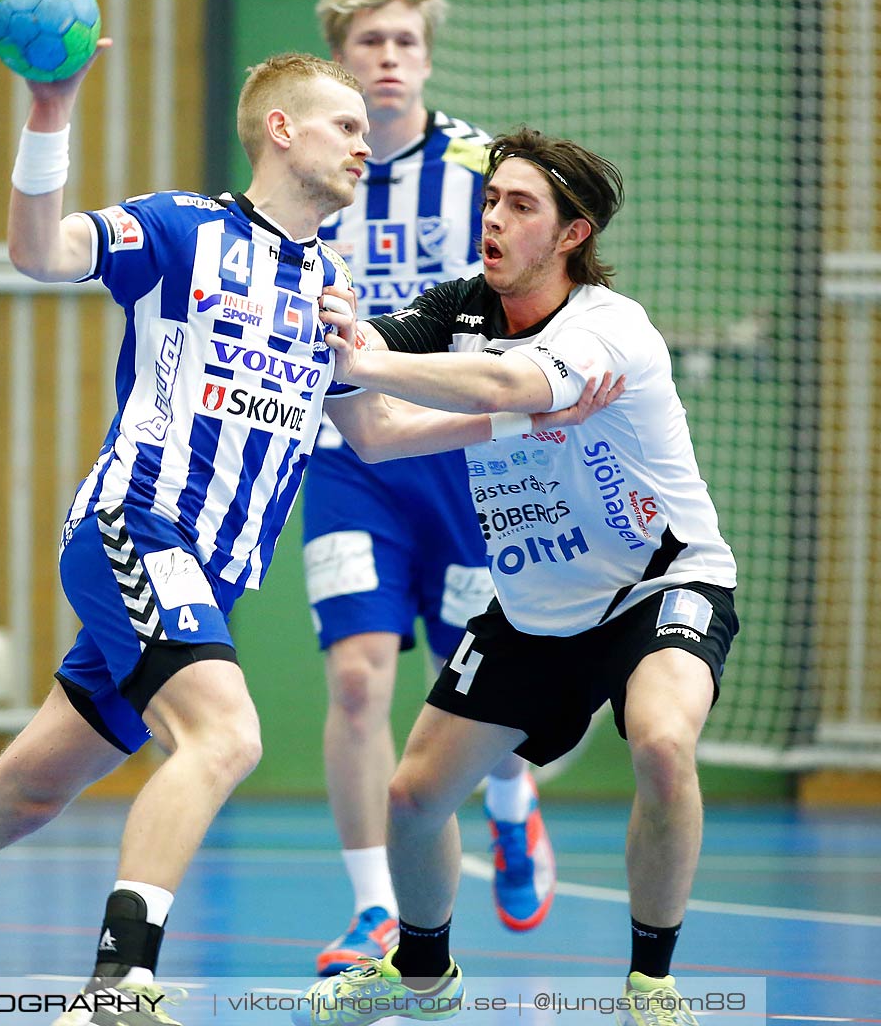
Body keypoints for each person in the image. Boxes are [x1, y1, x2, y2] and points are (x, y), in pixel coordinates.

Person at [0, 53, 618, 1026]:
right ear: (281, 130)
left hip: (212, 576)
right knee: (227, 735)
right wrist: (51, 110)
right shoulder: (180, 230)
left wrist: (519, 417)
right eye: (345, 126)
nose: (368, 142)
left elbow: (373, 434)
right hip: (136, 527)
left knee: (26, 790)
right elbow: (40, 251)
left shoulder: (333, 283)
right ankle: (118, 988)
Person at [296, 126, 739, 1026]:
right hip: (537, 606)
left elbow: (504, 391)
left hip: (658, 587)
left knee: (660, 742)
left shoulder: (610, 328)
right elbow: (375, 432)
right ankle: (422, 978)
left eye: (521, 206)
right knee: (414, 798)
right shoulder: (460, 309)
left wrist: (365, 361)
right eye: (490, 200)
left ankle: (651, 984)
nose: (493, 218)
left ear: (572, 234)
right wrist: (330, 329)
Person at [301, 0, 556, 979]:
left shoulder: (482, 167)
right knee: (360, 681)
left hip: (461, 459)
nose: (390, 58)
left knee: (479, 681)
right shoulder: (314, 170)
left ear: (428, 54)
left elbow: (542, 281)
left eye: (406, 41)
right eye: (371, 42)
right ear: (340, 58)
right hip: (348, 456)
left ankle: (509, 800)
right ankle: (373, 910)